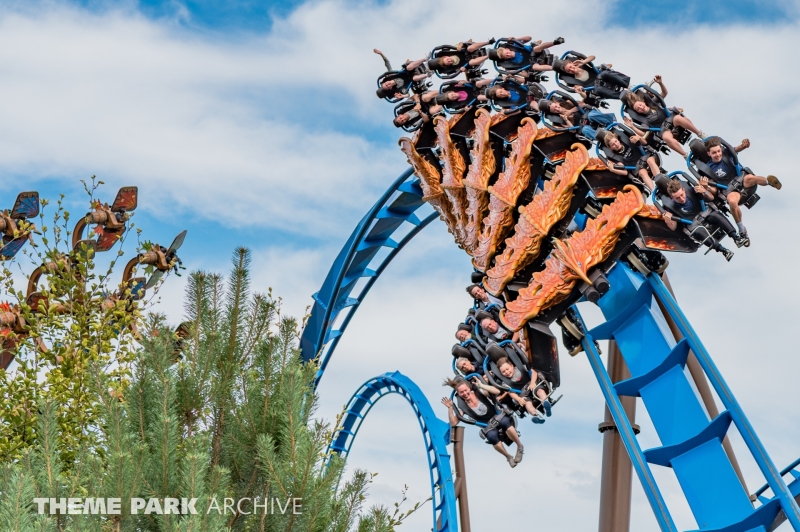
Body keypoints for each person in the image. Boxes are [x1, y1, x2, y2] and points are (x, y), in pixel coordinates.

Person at [701, 136, 781, 240]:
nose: (718, 154)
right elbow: (714, 190)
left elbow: (736, 149)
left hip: (742, 179)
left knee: (751, 178)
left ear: (721, 149)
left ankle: (769, 181)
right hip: (730, 190)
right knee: (731, 201)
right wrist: (706, 187)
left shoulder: (726, 153)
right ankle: (741, 228)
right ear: (709, 154)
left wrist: (744, 145)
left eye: (718, 151)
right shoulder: (708, 168)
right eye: (714, 153)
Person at [442, 377, 525, 467]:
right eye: (461, 392)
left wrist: (482, 386)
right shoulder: (462, 406)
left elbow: (496, 391)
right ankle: (508, 457)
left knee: (505, 423)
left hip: (498, 415)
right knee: (492, 437)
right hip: (487, 425)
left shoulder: (479, 391)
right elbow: (453, 423)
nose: (465, 393)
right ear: (458, 393)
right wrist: (450, 408)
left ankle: (520, 447)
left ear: (469, 388)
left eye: (466, 390)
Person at [661, 177, 743, 259]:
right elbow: (673, 227)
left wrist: (704, 191)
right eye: (677, 198)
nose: (682, 199)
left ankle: (736, 237)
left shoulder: (692, 190)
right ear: (672, 197)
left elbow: (711, 198)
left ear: (683, 190)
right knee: (699, 232)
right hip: (693, 224)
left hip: (705, 213)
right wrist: (668, 220)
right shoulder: (670, 207)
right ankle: (723, 250)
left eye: (682, 195)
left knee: (716, 215)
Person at [622, 76, 703, 156]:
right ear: (637, 112)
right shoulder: (644, 120)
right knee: (666, 138)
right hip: (662, 129)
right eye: (638, 109)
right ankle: (684, 155)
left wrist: (660, 83)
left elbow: (664, 93)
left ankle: (700, 134)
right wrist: (632, 126)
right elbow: (643, 133)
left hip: (670, 119)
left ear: (643, 102)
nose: (640, 108)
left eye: (640, 105)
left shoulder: (653, 102)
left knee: (678, 118)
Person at [596, 129, 661, 192]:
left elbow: (645, 143)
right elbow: (625, 172)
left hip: (645, 156)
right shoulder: (614, 156)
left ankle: (661, 180)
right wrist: (613, 169)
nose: (616, 144)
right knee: (642, 173)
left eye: (615, 141)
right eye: (613, 144)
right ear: (611, 148)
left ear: (618, 140)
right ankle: (654, 190)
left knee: (650, 161)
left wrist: (638, 138)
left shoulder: (626, 139)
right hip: (637, 167)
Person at [496, 356, 552, 422]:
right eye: (503, 372)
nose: (507, 372)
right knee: (527, 404)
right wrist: (518, 399)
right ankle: (535, 415)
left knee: (540, 391)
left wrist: (532, 382)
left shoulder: (520, 368)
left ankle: (545, 404)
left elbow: (533, 372)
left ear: (512, 366)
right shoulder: (505, 382)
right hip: (523, 394)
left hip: (532, 386)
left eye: (507, 369)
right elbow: (511, 392)